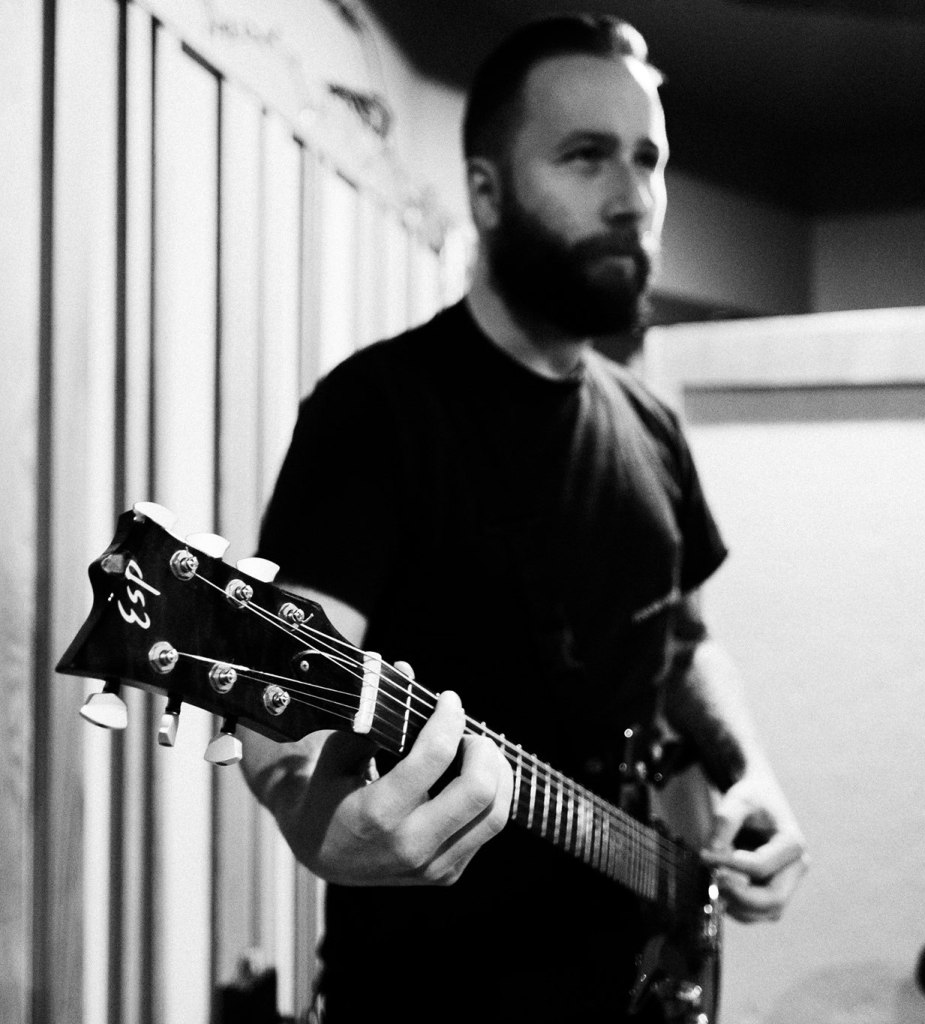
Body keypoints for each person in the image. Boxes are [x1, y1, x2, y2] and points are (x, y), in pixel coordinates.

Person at [240, 13, 808, 1022]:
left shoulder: (650, 425)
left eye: (647, 160)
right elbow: (281, 681)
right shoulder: (376, 411)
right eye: (586, 157)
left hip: (638, 983)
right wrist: (319, 824)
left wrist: (748, 774)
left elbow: (681, 639)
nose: (633, 197)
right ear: (487, 192)